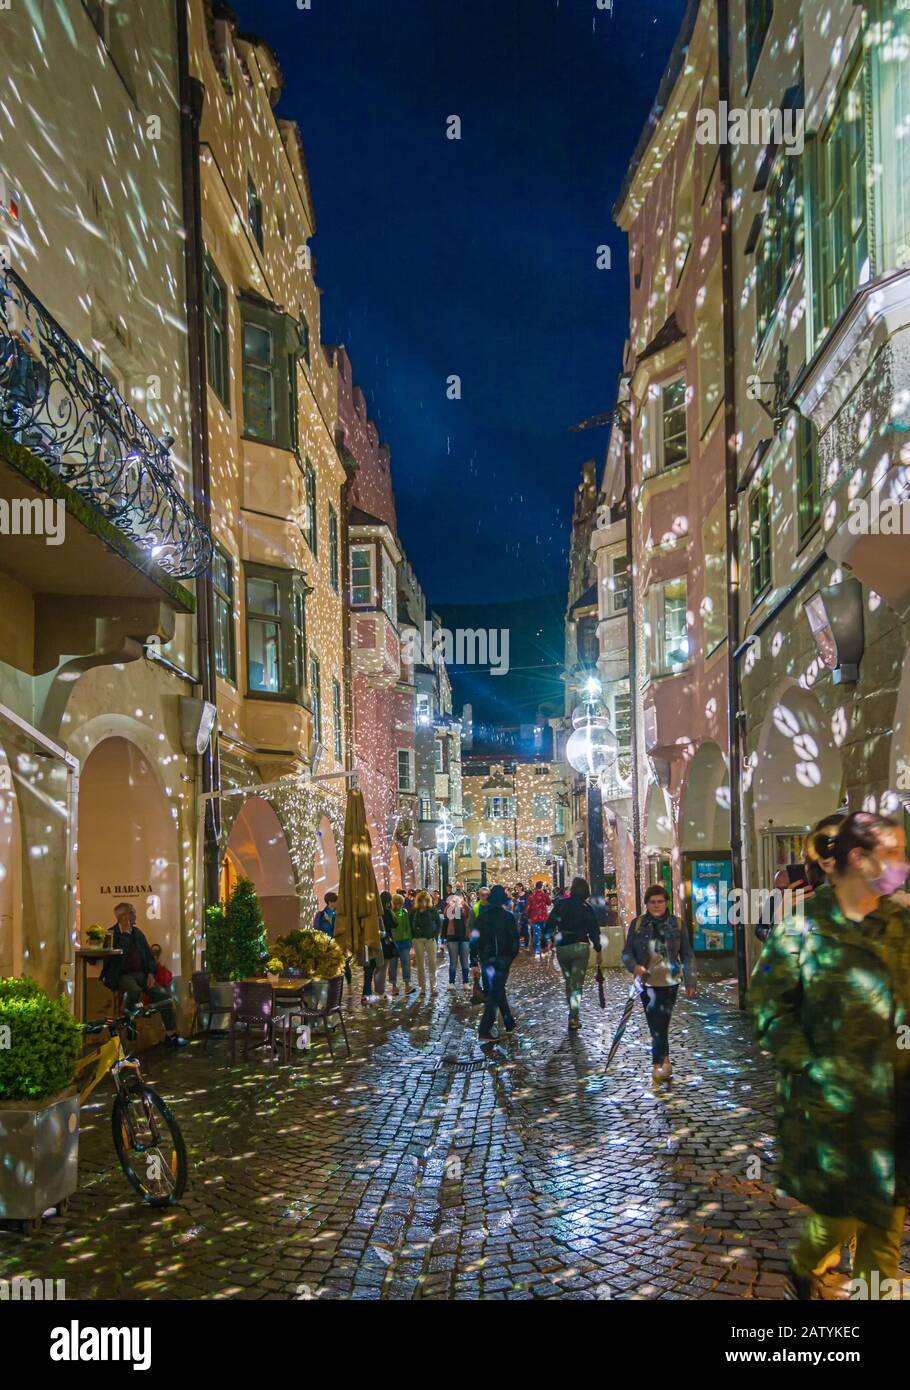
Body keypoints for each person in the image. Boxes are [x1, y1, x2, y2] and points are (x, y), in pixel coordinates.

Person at [749, 810, 910, 1300]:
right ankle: (803, 1265)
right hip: (831, 1110)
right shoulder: (803, 928)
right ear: (859, 858)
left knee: (886, 1229)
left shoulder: (900, 923)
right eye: (894, 854)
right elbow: (770, 1008)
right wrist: (812, 1066)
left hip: (895, 1106)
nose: (903, 865)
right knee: (837, 1220)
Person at [622, 884, 696, 1082]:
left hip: (670, 981)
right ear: (646, 904)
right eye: (652, 902)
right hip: (647, 982)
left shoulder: (677, 924)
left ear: (666, 903)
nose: (656, 905)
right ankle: (665, 1060)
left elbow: (687, 954)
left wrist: (690, 981)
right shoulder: (637, 924)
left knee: (661, 1022)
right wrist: (635, 967)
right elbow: (627, 953)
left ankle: (658, 1064)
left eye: (660, 901)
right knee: (655, 1022)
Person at [100, 902, 187, 1046]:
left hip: (141, 974)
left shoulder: (138, 933)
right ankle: (129, 1019)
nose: (135, 916)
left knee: (164, 997)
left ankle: (171, 1035)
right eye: (132, 913)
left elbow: (148, 955)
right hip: (121, 975)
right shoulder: (112, 934)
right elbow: (114, 958)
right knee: (134, 990)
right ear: (123, 916)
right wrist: (126, 935)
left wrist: (151, 974)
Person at [548, 877, 604, 1031]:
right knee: (576, 984)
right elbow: (594, 930)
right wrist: (598, 949)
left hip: (563, 947)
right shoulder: (586, 907)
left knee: (569, 982)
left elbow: (550, 922)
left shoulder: (561, 904)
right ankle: (573, 1017)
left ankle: (572, 1012)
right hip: (580, 946)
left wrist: (550, 938)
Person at [470, 884, 520, 1040]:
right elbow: (515, 942)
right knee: (495, 991)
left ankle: (509, 1022)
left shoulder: (482, 918)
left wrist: (474, 961)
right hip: (503, 959)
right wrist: (510, 957)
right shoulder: (509, 917)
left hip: (487, 959)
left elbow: (474, 940)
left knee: (496, 989)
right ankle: (485, 1029)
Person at [442, 884, 471, 992]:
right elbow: (446, 914)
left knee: (464, 961)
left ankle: (466, 982)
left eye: (460, 898)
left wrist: (465, 904)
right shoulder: (451, 908)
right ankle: (451, 982)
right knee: (453, 961)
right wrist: (451, 904)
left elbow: (470, 915)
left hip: (464, 937)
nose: (458, 900)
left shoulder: (465, 908)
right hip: (452, 937)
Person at [410, 889, 439, 994]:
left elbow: (438, 923)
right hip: (418, 940)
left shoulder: (432, 910)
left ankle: (433, 986)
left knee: (432, 963)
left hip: (430, 939)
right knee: (420, 964)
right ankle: (422, 987)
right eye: (421, 900)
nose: (423, 903)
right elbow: (410, 925)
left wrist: (434, 936)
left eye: (424, 901)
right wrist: (413, 938)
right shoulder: (414, 911)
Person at [389, 891, 416, 997]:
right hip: (393, 943)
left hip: (404, 942)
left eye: (401, 903)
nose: (399, 905)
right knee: (392, 965)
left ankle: (407, 985)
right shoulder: (389, 913)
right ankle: (394, 986)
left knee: (406, 963)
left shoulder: (404, 912)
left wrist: (410, 941)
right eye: (397, 903)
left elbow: (407, 927)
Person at [526, 881, 551, 957]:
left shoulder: (531, 896)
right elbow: (549, 903)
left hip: (535, 918)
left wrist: (528, 917)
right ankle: (544, 949)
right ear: (542, 887)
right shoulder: (544, 895)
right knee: (544, 933)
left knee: (536, 934)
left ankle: (537, 950)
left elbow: (528, 908)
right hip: (543, 917)